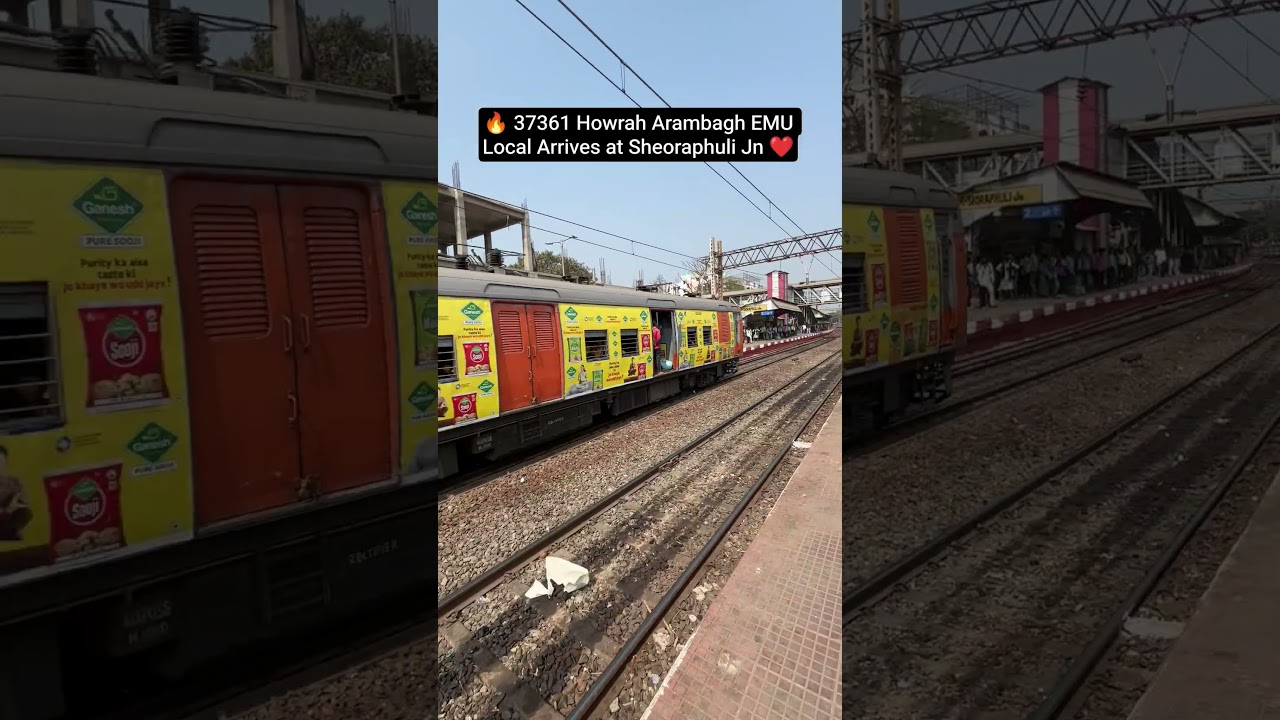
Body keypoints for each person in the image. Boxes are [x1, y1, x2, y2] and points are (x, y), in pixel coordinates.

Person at [0, 446, 32, 542]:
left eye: (0, 462)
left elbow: (25, 507)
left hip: (12, 532)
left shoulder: (14, 482)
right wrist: (8, 510)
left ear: (6, 462)